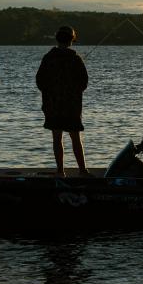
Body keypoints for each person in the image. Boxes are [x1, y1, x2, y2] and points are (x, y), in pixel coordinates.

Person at [35, 25, 90, 177]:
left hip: (52, 105)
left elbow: (39, 81)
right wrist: (73, 92)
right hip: (72, 106)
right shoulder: (76, 59)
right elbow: (84, 83)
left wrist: (50, 94)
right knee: (75, 137)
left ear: (57, 39)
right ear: (72, 40)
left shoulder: (48, 58)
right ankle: (82, 170)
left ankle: (60, 171)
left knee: (57, 138)